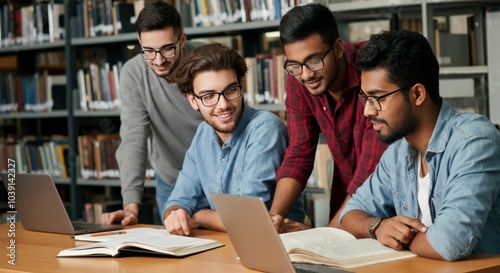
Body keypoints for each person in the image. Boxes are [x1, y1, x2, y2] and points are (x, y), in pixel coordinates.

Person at [339, 30, 500, 261]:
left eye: (378, 98)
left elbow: (449, 243)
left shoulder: (474, 143)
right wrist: (378, 227)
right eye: (365, 98)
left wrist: (401, 238)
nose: (368, 111)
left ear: (417, 94)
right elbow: (349, 215)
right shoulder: (396, 153)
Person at [163, 43, 305, 236]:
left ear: (242, 86)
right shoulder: (203, 134)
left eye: (230, 90)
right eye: (209, 96)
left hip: (278, 248)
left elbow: (247, 219)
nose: (223, 105)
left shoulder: (265, 128)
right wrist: (175, 215)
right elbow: (177, 203)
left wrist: (198, 216)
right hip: (227, 247)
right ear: (192, 100)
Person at [270, 3, 388, 232]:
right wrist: (273, 219)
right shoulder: (299, 79)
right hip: (345, 203)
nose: (306, 75)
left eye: (314, 61)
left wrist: (328, 235)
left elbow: (370, 168)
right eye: (294, 65)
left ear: (337, 48)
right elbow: (299, 152)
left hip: (388, 205)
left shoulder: (372, 70)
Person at [102, 1, 204, 226]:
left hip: (215, 180)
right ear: (140, 43)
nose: (158, 60)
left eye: (167, 48)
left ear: (183, 40)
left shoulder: (206, 61)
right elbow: (133, 139)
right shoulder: (133, 73)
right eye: (148, 51)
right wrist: (130, 206)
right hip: (171, 183)